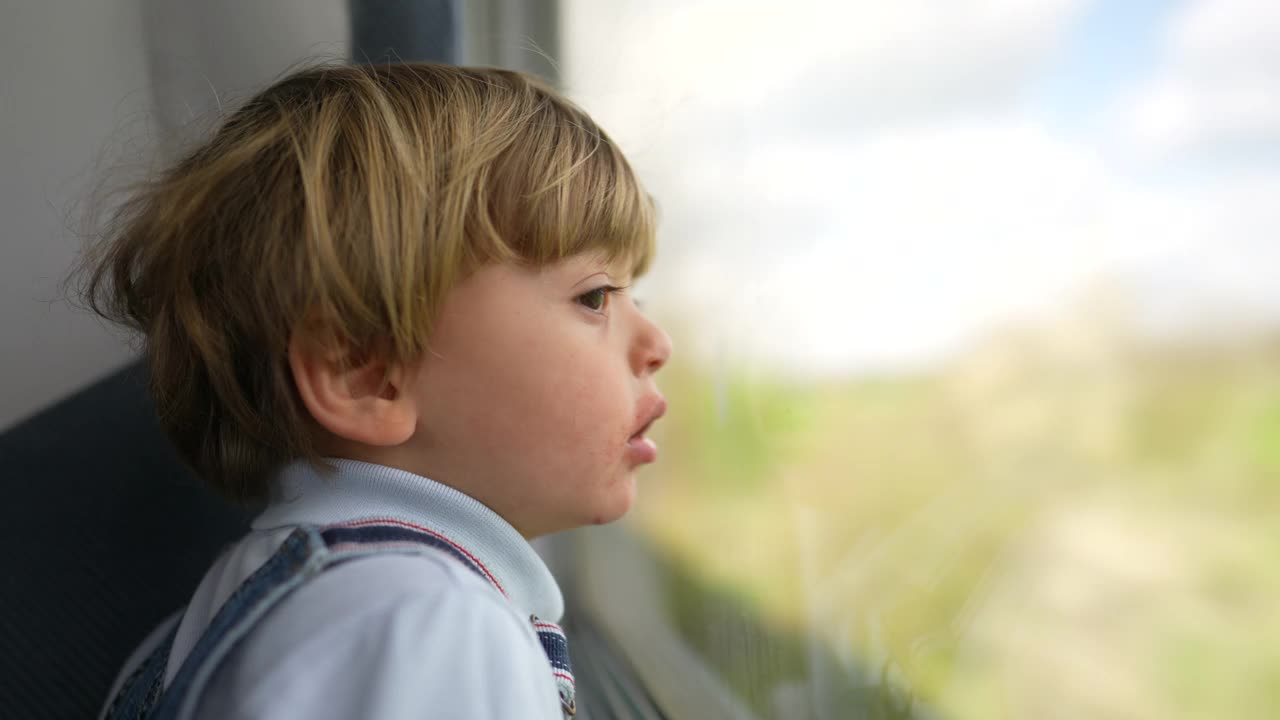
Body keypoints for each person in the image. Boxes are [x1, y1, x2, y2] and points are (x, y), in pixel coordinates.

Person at [80, 61, 672, 720]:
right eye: (595, 297)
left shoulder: (236, 599)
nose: (657, 344)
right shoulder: (429, 623)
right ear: (366, 372)